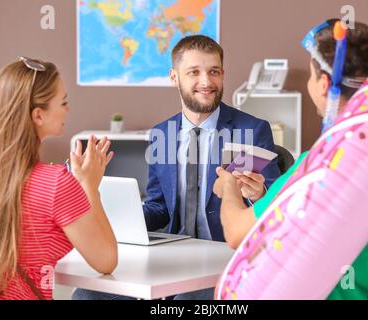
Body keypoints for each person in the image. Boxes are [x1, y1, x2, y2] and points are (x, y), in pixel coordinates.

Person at [214, 19, 368, 299]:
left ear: (324, 85)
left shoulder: (317, 168)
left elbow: (236, 233)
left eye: (310, 77)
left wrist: (228, 186)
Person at [72, 35, 281, 300]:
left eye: (214, 71)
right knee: (88, 296)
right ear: (174, 77)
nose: (206, 82)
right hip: (171, 258)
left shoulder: (250, 129)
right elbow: (159, 207)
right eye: (194, 72)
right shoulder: (162, 133)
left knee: (185, 298)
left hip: (224, 258)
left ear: (223, 74)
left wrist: (258, 195)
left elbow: (277, 205)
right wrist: (121, 220)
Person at [0, 57, 118, 300]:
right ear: (38, 115)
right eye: (63, 102)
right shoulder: (56, 183)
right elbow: (106, 261)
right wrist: (90, 187)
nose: (67, 109)